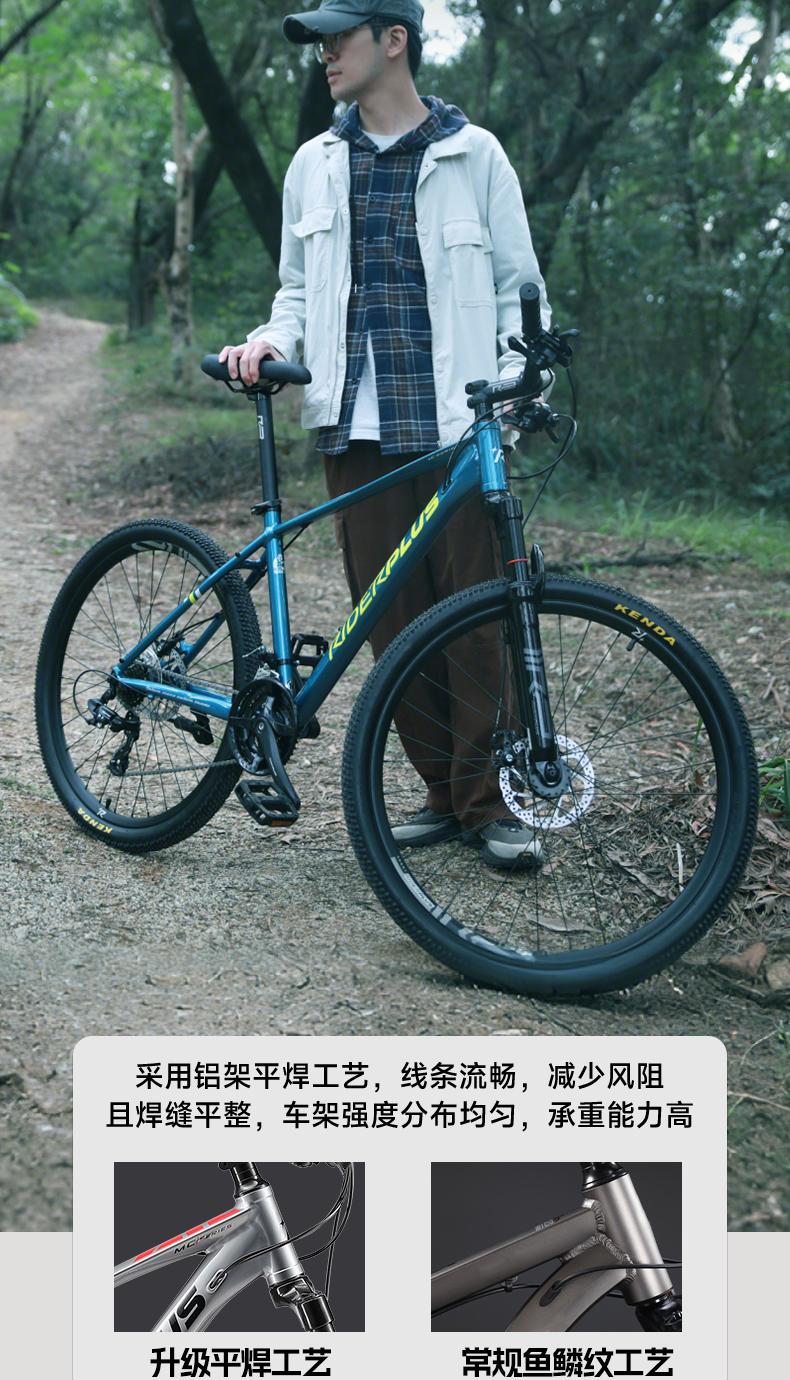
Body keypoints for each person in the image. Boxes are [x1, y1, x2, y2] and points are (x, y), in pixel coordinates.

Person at [219, 0, 552, 869]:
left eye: (340, 37)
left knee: (476, 615)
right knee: (392, 625)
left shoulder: (474, 155)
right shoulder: (315, 164)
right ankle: (445, 794)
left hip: (457, 423)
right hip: (355, 425)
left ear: (393, 40)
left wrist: (517, 392)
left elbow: (521, 291)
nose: (325, 54)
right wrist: (270, 341)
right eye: (320, 41)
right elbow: (297, 291)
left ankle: (491, 802)